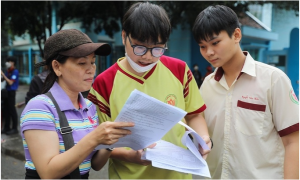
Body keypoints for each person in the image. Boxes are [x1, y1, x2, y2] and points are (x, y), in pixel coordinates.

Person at [88, 2, 211, 179]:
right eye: (139, 47)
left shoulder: (179, 70)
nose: (147, 56)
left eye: (157, 48)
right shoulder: (104, 83)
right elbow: (97, 143)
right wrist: (130, 155)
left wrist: (204, 137)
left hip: (176, 174)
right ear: (124, 37)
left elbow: (194, 114)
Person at [192, 5, 299, 179]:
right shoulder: (207, 86)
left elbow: (293, 142)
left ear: (236, 35)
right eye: (202, 46)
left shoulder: (273, 80)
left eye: (215, 43)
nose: (209, 52)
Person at [20, 29, 134, 179]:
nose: (91, 69)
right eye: (82, 63)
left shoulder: (89, 107)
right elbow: (48, 172)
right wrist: (94, 138)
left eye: (92, 62)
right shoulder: (40, 107)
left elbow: (96, 164)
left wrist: (111, 141)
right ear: (57, 67)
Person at [1, 56, 19, 135]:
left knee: (12, 110)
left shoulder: (15, 71)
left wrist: (3, 75)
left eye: (9, 61)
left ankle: (14, 128)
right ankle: (6, 127)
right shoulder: (8, 71)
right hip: (6, 93)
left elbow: (10, 82)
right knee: (6, 110)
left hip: (11, 92)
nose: (7, 63)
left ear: (13, 62)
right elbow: (3, 79)